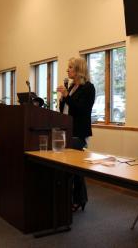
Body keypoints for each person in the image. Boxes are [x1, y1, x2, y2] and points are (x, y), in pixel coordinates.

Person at [57, 57, 95, 212]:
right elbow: (65, 110)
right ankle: (77, 198)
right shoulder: (72, 86)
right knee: (72, 168)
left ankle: (78, 198)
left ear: (79, 69)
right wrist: (62, 99)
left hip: (78, 133)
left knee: (74, 168)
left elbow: (82, 110)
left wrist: (67, 97)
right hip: (66, 131)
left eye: (70, 67)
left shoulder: (88, 88)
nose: (68, 70)